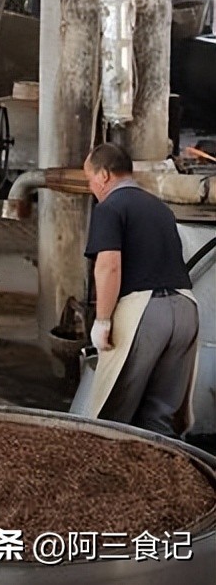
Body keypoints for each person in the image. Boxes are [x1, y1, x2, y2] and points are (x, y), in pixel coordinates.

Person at [75, 142, 200, 437]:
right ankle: (166, 479)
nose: (91, 186)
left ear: (104, 175)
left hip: (145, 312)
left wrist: (102, 320)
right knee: (161, 418)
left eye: (90, 178)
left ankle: (112, 480)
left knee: (112, 415)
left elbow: (109, 266)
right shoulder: (161, 208)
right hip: (186, 308)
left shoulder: (110, 208)